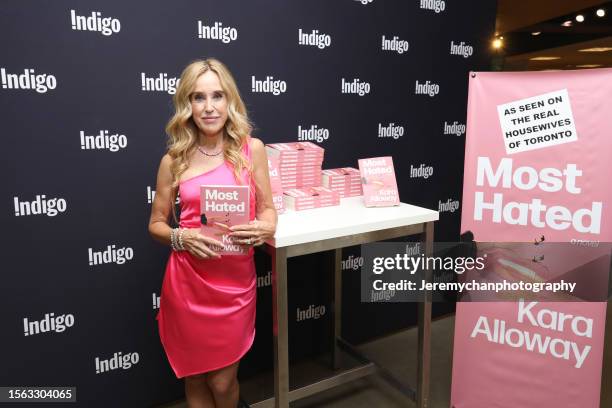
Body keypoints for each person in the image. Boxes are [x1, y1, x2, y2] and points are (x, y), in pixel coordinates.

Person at [148, 58, 277, 408]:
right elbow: (156, 223)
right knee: (194, 377)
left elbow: (268, 209)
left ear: (229, 100)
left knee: (222, 382)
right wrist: (181, 237)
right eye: (198, 97)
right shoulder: (173, 160)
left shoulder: (253, 150)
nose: (208, 107)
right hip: (188, 285)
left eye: (217, 96)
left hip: (234, 287)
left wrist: (265, 225)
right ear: (187, 105)